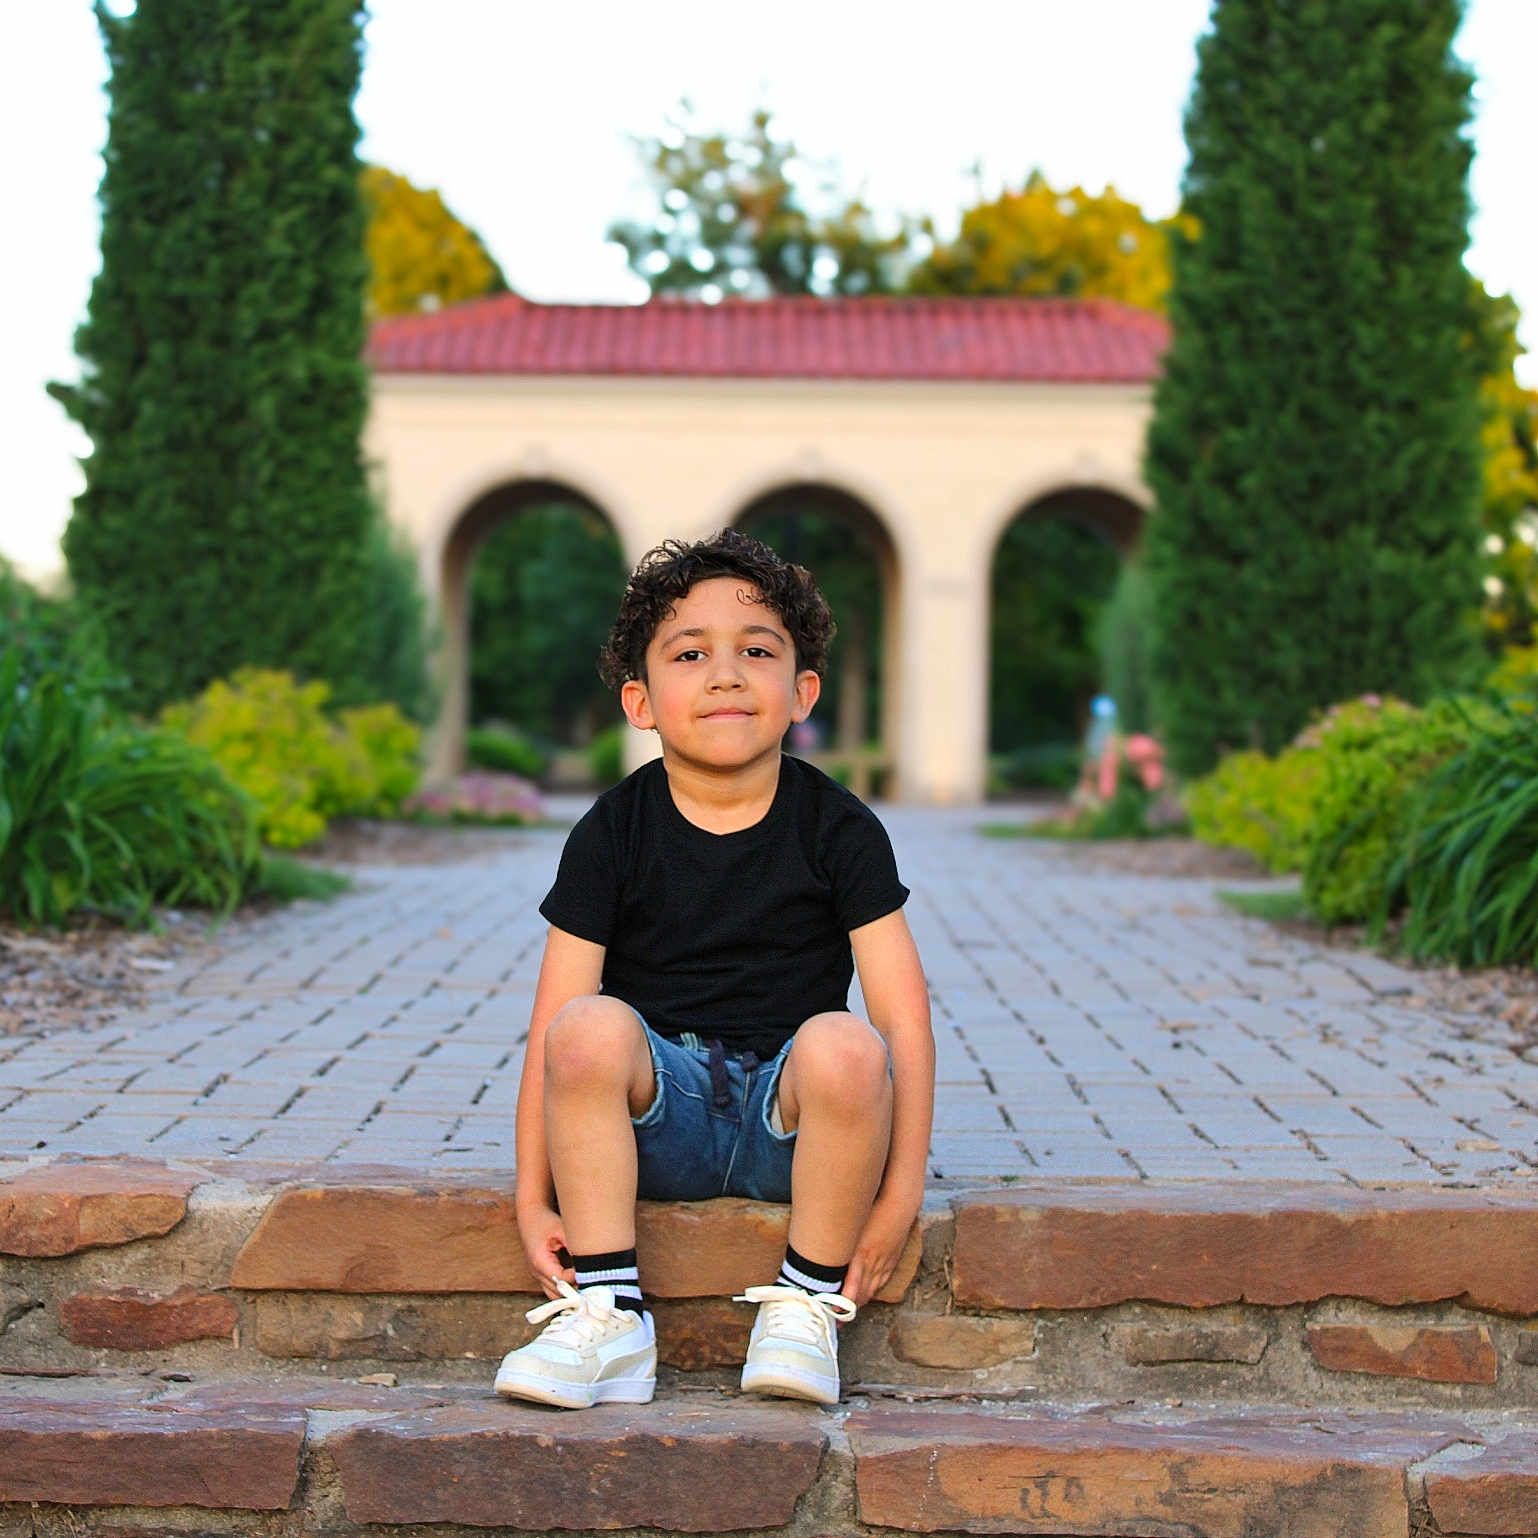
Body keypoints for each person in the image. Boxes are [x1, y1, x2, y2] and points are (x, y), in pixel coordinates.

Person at [494, 528, 933, 1410]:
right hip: (660, 1123)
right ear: (641, 701)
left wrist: (898, 1201)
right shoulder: (612, 832)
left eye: (757, 651)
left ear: (801, 691)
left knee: (847, 1044)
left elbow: (903, 1021)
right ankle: (611, 1313)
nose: (726, 674)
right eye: (690, 653)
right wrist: (529, 1199)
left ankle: (805, 1307)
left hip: (792, 1126)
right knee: (588, 1029)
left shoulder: (839, 829)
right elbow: (553, 1031)